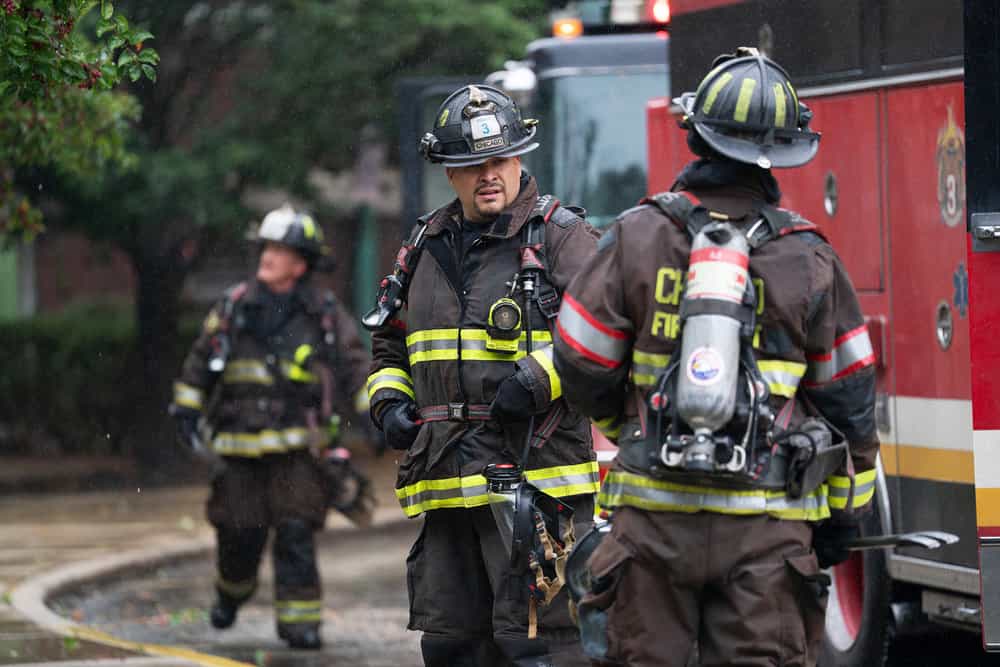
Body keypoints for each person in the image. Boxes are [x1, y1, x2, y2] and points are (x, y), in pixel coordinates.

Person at [552, 49, 879, 666]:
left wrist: (632, 428)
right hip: (768, 536)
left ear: (697, 136)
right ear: (786, 152)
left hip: (650, 525)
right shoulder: (808, 257)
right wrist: (844, 516)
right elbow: (851, 402)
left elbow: (578, 356)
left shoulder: (637, 235)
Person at [366, 84, 601, 666]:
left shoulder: (562, 237)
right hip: (447, 489)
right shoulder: (424, 245)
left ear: (521, 156)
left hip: (537, 487)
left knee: (539, 646)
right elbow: (388, 343)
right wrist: (389, 405)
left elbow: (611, 331)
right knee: (450, 647)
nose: (487, 175)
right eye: (471, 165)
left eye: (498, 159)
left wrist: (540, 379)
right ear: (450, 172)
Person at [169, 205, 370, 650]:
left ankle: (301, 625)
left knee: (296, 531)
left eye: (279, 249)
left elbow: (355, 365)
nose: (268, 256)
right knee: (239, 532)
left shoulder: (323, 313)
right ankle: (231, 591)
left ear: (300, 263)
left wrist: (377, 409)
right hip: (239, 448)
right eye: (266, 247)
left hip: (299, 450)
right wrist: (186, 407)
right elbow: (200, 362)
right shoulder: (234, 306)